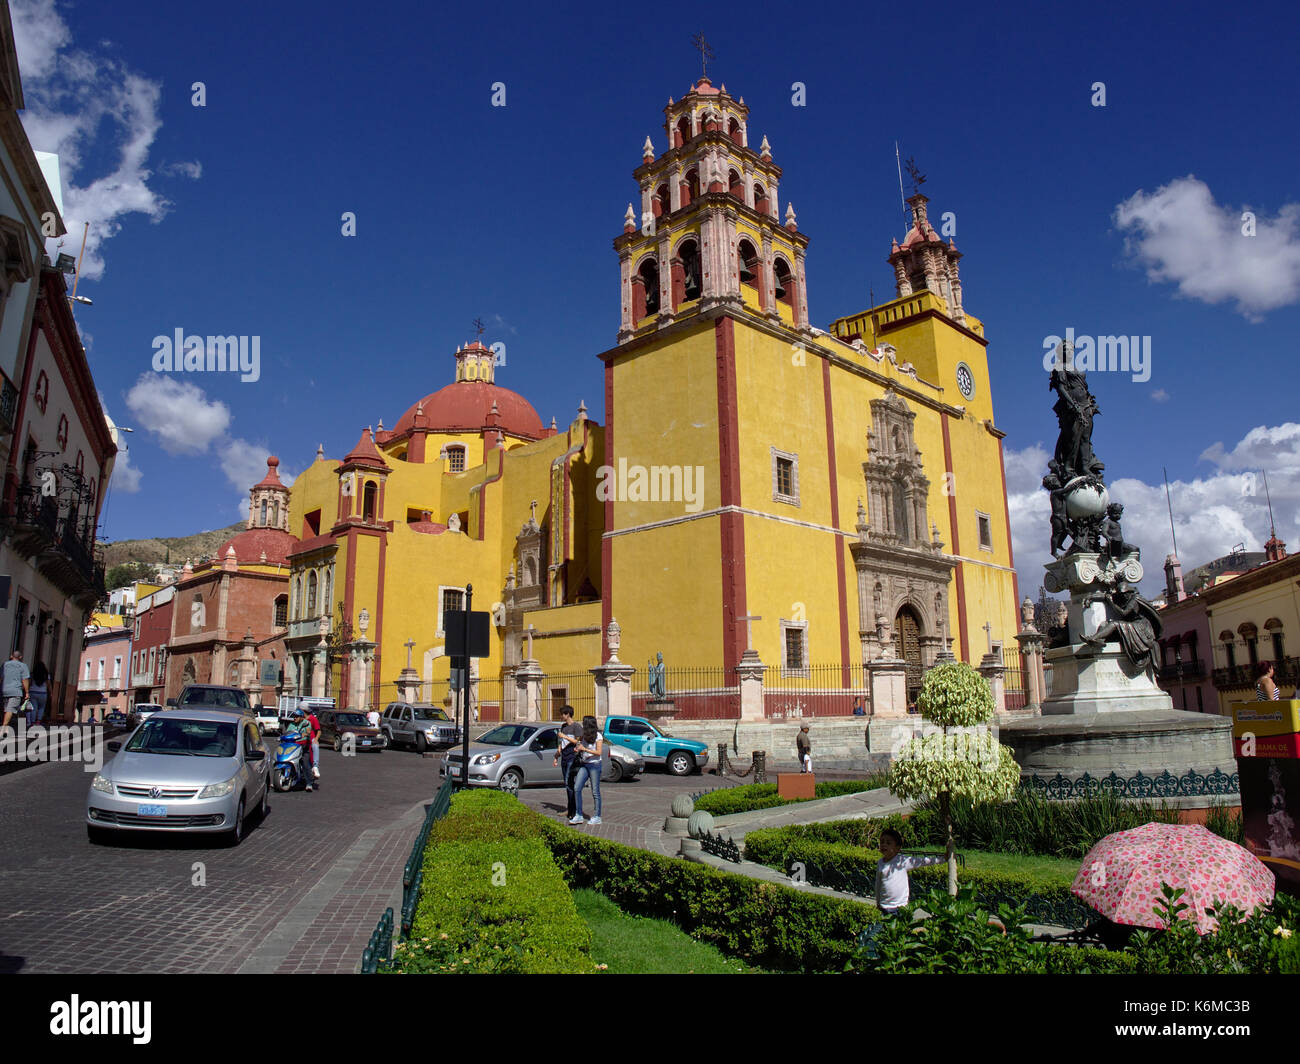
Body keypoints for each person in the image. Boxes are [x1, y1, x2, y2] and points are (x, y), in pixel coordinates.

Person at [875, 828, 944, 915]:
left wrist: (942, 859)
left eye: (888, 843)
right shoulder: (880, 863)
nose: (884, 845)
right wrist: (877, 902)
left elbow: (922, 861)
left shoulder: (902, 861)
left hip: (900, 906)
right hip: (884, 906)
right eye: (882, 842)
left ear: (897, 848)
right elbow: (878, 883)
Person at [570, 714, 603, 825]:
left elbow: (598, 752)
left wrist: (584, 749)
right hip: (584, 764)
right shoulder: (584, 736)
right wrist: (578, 749)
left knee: (595, 791)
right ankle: (578, 815)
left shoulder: (598, 736)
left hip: (595, 765)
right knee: (577, 787)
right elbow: (580, 746)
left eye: (584, 723)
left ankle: (597, 816)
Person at [552, 706, 583, 821]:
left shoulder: (576, 726)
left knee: (569, 783)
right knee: (567, 784)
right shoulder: (563, 726)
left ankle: (573, 810)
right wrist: (557, 754)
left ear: (568, 714)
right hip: (564, 757)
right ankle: (570, 808)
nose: (561, 716)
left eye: (562, 714)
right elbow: (562, 743)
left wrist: (564, 736)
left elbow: (578, 741)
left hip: (572, 757)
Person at [1, 650, 30, 730]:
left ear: (11, 656)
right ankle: (3, 728)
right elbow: (25, 679)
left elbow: (1, 677)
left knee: (6, 709)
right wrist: (27, 692)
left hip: (4, 690)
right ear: (20, 657)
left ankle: (6, 728)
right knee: (10, 710)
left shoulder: (5, 664)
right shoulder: (23, 666)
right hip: (16, 691)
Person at [305, 707, 322, 779]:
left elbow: (319, 731)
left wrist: (316, 739)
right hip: (299, 739)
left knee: (315, 746)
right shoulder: (299, 719)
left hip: (310, 738)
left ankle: (315, 766)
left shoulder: (313, 719)